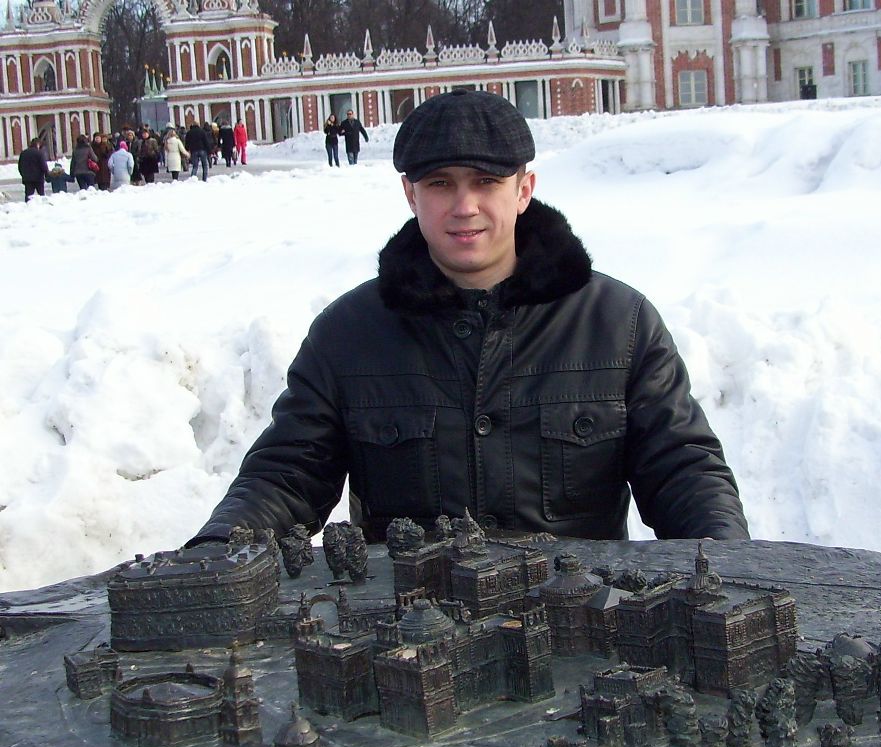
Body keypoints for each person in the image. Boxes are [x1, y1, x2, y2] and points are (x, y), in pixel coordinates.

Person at [190, 89, 749, 548]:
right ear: (410, 194)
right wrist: (219, 550)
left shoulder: (618, 325)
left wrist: (728, 563)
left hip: (580, 624)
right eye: (441, 184)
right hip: (408, 632)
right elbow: (286, 473)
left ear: (523, 190)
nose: (464, 207)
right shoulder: (349, 335)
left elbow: (683, 469)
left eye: (486, 181)